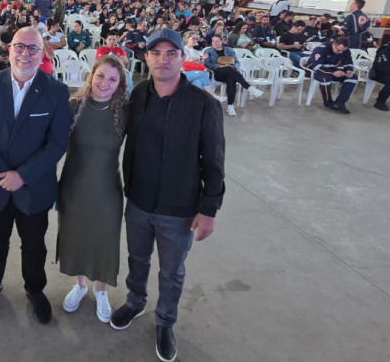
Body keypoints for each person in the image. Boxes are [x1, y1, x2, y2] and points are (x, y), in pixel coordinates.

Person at [110, 28, 225, 362]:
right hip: (139, 201)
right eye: (156, 53)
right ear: (146, 57)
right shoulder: (139, 96)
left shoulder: (203, 105)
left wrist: (209, 209)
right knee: (137, 258)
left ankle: (165, 322)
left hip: (180, 207)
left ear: (182, 57)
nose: (163, 60)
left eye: (171, 53)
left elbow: (214, 162)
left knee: (172, 271)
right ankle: (134, 302)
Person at [0, 27, 71, 325]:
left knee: (34, 244)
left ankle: (35, 290)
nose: (25, 54)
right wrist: (4, 174)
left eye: (32, 49)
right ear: (8, 50)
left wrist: (22, 176)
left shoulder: (56, 91)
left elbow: (57, 143)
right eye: (19, 47)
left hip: (33, 186)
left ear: (42, 53)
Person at [57, 56, 129, 323]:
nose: (104, 83)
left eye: (112, 79)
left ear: (120, 83)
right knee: (75, 236)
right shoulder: (74, 106)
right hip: (74, 185)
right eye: (100, 76)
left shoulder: (124, 112)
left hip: (107, 188)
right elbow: (52, 144)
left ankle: (101, 290)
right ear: (91, 76)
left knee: (104, 240)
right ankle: (80, 285)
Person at [203, 35, 263, 116]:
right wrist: (219, 66)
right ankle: (249, 87)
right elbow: (207, 63)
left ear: (222, 41)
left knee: (231, 79)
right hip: (217, 73)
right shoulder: (208, 51)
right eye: (213, 41)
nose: (215, 43)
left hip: (230, 72)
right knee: (228, 69)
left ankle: (230, 106)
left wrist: (233, 67)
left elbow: (237, 62)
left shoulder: (229, 50)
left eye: (217, 41)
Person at [307, 38, 357, 113]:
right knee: (326, 78)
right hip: (314, 70)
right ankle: (328, 102)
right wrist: (333, 73)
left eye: (343, 50)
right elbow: (317, 67)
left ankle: (340, 102)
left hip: (332, 69)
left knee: (353, 78)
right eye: (339, 50)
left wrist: (349, 71)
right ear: (333, 45)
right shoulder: (321, 49)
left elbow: (348, 62)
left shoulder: (345, 51)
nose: (340, 52)